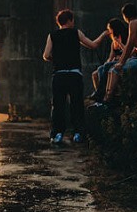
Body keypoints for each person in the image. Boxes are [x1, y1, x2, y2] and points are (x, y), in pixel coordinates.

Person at [42, 9, 108, 145]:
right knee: (76, 104)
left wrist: (57, 59)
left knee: (58, 105)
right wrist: (103, 34)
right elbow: (93, 45)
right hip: (74, 74)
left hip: (59, 75)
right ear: (70, 20)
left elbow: (46, 55)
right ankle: (78, 134)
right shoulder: (76, 32)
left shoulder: (52, 35)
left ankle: (57, 134)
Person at [100, 3, 137, 105]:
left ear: (125, 15)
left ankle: (107, 101)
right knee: (111, 70)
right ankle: (106, 98)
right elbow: (132, 48)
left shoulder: (134, 23)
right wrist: (122, 60)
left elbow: (130, 44)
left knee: (115, 70)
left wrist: (121, 62)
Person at [88, 17, 129, 102]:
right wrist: (107, 62)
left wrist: (119, 43)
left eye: (110, 29)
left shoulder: (126, 37)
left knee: (106, 67)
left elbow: (128, 52)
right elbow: (110, 57)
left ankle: (102, 93)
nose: (109, 32)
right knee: (97, 71)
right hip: (114, 62)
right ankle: (99, 93)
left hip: (125, 61)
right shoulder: (113, 43)